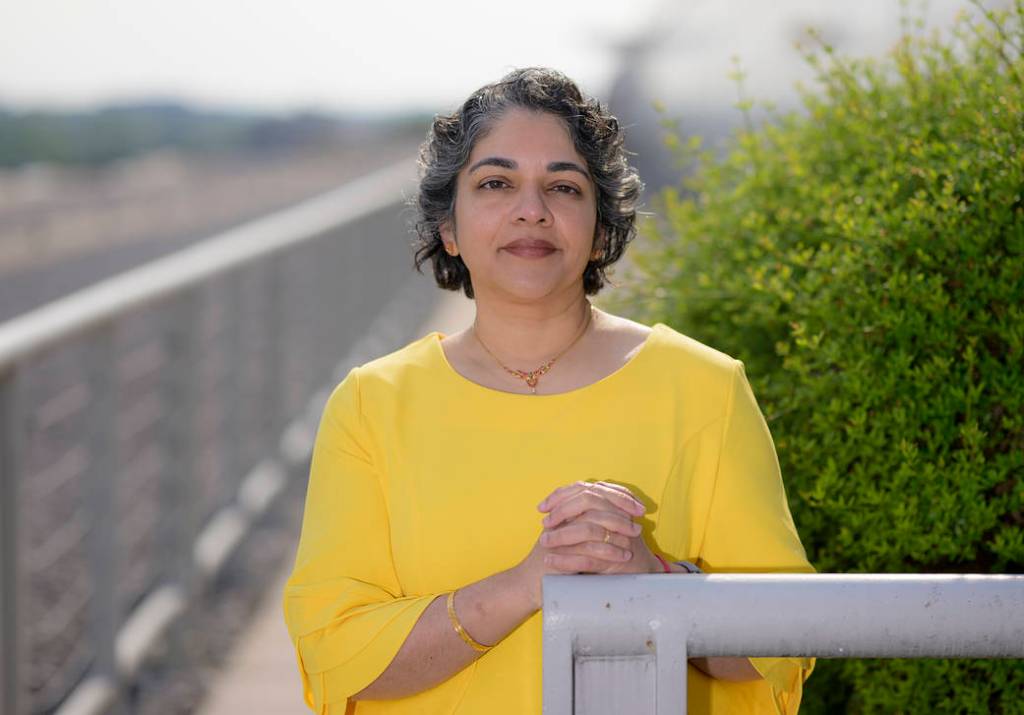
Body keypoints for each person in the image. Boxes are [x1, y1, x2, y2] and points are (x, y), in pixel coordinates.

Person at [283, 67, 814, 714]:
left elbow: (785, 639)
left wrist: (654, 582)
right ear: (449, 228)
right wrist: (525, 586)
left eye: (563, 186)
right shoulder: (371, 405)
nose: (530, 209)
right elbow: (334, 653)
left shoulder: (705, 387)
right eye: (496, 183)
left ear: (600, 229)